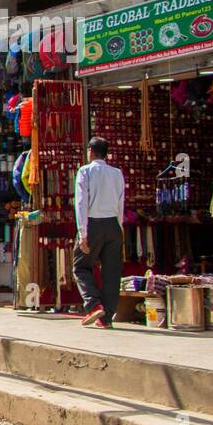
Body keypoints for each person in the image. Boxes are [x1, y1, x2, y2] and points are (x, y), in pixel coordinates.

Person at [73, 136, 125, 329]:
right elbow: (121, 203)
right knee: (112, 273)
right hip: (113, 225)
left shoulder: (85, 171)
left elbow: (81, 203)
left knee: (80, 266)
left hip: (93, 224)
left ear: (90, 152)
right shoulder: (117, 173)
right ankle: (106, 318)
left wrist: (82, 233)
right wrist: (119, 228)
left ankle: (94, 304)